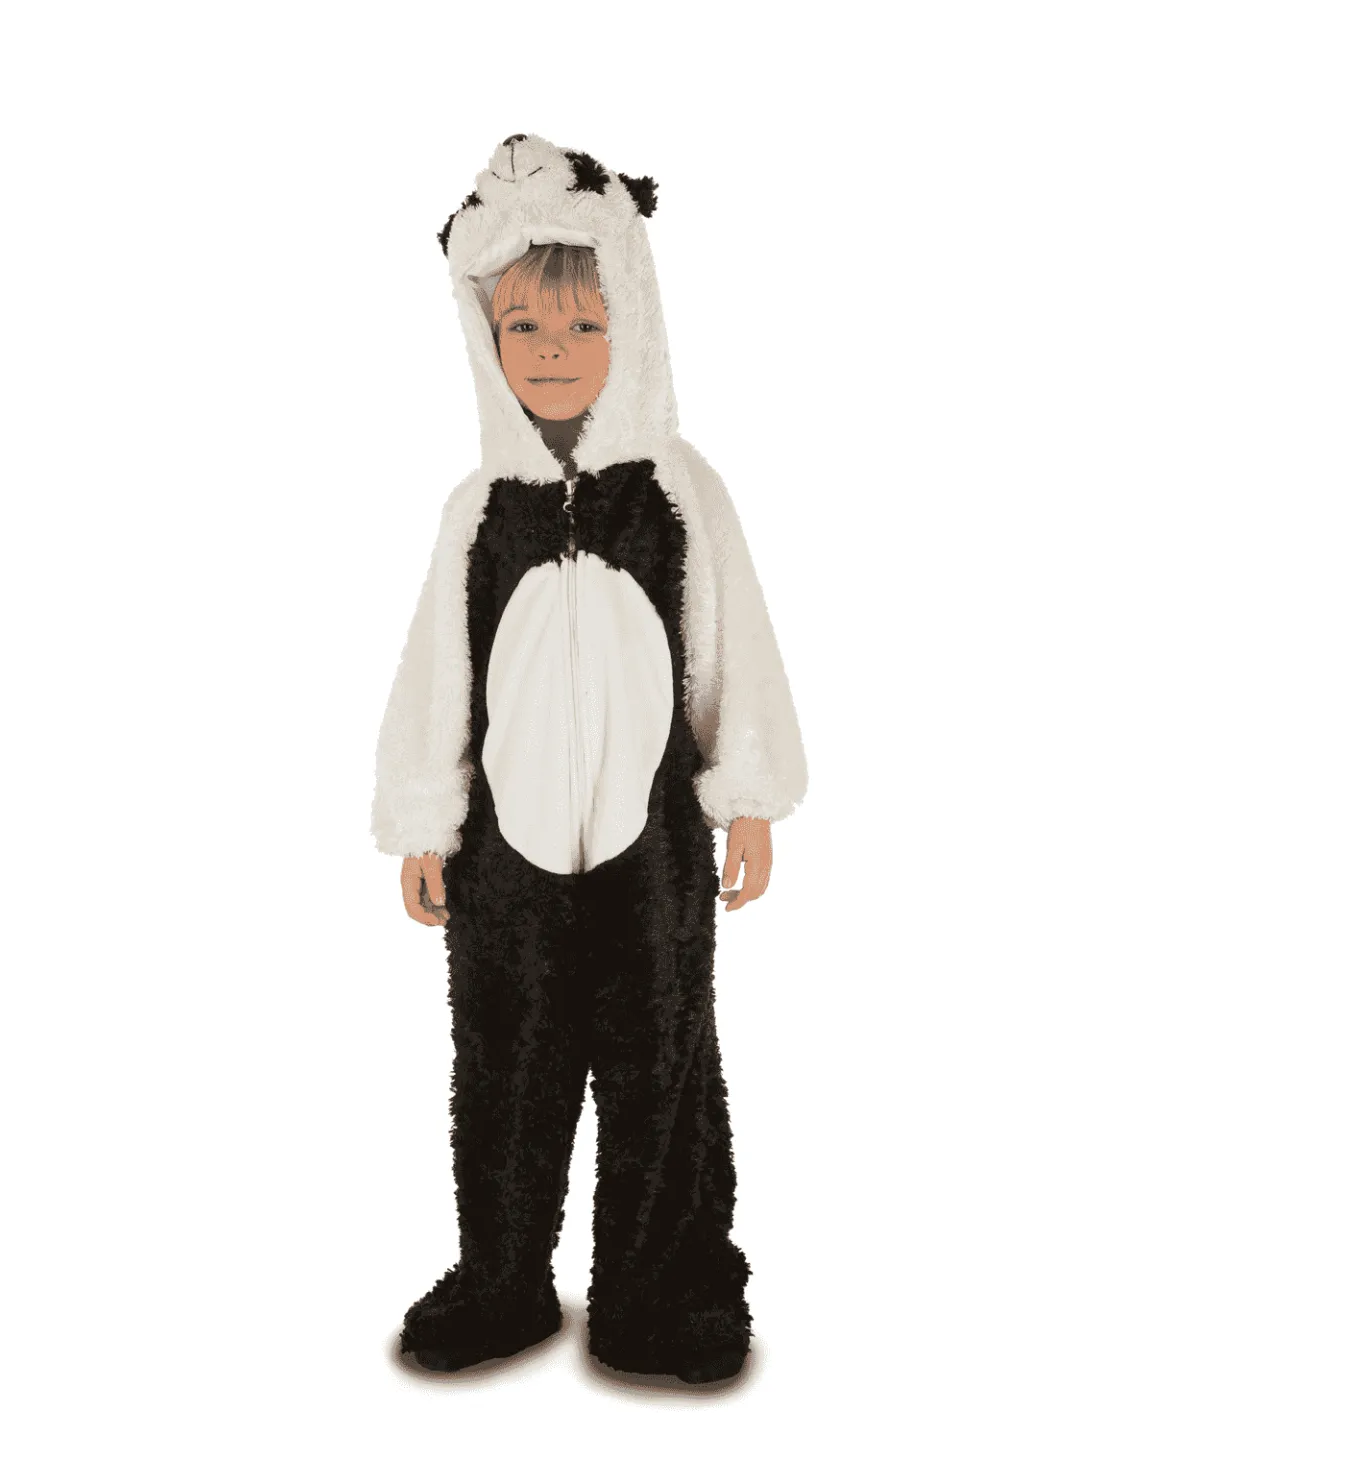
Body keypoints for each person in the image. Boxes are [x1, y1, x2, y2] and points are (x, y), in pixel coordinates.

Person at [372, 134, 807, 1384]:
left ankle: (656, 1285)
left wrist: (746, 798)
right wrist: (425, 817)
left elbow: (730, 643)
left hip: (650, 853)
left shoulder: (675, 491)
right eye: (522, 325)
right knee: (502, 1065)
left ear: (632, 324)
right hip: (503, 865)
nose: (550, 350)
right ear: (484, 335)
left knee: (659, 1062)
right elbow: (438, 673)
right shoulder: (478, 512)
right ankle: (501, 1274)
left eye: (580, 323)